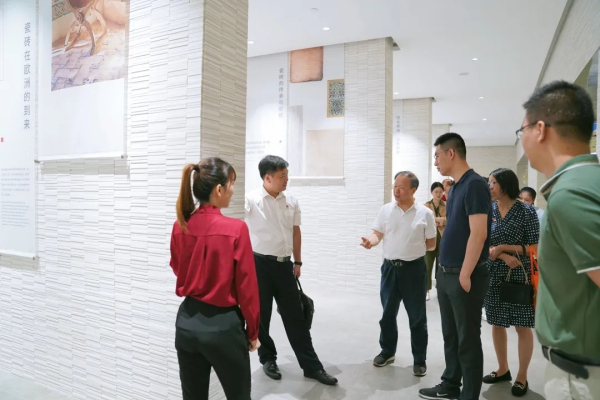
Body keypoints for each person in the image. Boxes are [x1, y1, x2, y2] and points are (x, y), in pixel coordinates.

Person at [519, 80, 600, 400]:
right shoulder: (587, 181)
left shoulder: (571, 193)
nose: (523, 138)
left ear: (540, 129)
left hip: (580, 377)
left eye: (522, 130)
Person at [169, 158, 261, 400]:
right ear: (219, 189)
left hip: (186, 323)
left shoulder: (180, 226)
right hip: (223, 327)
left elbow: (178, 269)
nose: (233, 190)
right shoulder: (236, 229)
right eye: (231, 184)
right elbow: (247, 288)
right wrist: (253, 332)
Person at [245, 155, 338, 386]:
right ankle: (268, 359)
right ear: (267, 178)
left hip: (285, 265)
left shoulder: (291, 200)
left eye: (287, 175)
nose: (287, 179)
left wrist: (298, 262)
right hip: (259, 266)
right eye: (282, 176)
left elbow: (296, 231)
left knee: (296, 317)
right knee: (262, 317)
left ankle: (312, 366)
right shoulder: (251, 200)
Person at [419, 133, 492, 400]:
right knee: (451, 335)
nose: (435, 161)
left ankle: (469, 395)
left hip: (464, 274)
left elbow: (479, 233)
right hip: (447, 272)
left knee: (467, 339)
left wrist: (465, 273)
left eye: (437, 155)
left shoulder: (475, 185)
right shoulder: (457, 187)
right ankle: (450, 384)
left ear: (451, 153)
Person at [361, 171, 437, 376]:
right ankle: (387, 351)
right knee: (387, 314)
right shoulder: (386, 210)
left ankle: (419, 359)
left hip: (414, 270)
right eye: (395, 186)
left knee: (417, 317)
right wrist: (370, 242)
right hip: (389, 269)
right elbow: (377, 234)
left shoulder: (425, 213)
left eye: (401, 187)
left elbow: (431, 244)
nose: (396, 190)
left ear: (413, 190)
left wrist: (412, 248)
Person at [483, 168, 539, 397]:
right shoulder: (490, 209)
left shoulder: (526, 211)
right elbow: (482, 242)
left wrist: (504, 248)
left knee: (522, 326)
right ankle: (503, 368)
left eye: (493, 183)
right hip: (493, 273)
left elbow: (534, 248)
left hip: (518, 275)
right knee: (496, 323)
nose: (489, 187)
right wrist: (501, 254)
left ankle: (522, 376)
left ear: (505, 185)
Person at [424, 182, 447, 300]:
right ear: (431, 192)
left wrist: (436, 220)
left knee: (441, 265)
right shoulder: (426, 206)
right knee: (427, 265)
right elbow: (425, 221)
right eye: (436, 192)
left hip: (443, 238)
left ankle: (440, 289)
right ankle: (426, 290)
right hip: (429, 238)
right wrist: (441, 221)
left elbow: (449, 219)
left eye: (440, 192)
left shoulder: (447, 205)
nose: (438, 194)